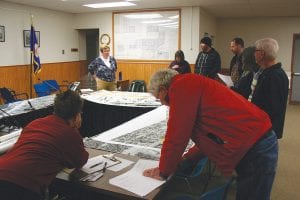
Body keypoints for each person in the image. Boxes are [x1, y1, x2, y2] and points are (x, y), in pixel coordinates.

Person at [143, 69, 278, 200]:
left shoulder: (180, 86)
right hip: (256, 144)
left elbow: (176, 135)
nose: (161, 102)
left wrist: (163, 171)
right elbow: (209, 139)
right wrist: (186, 159)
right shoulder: (190, 83)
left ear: (162, 89)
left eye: (158, 97)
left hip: (255, 147)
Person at [0, 90, 89, 200]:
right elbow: (80, 161)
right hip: (22, 186)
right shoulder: (70, 133)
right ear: (76, 116)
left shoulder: (35, 123)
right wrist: (74, 129)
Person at [249, 38, 289, 139]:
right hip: (263, 129)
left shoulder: (274, 76)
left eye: (255, 51)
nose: (254, 54)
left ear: (262, 54)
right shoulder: (267, 73)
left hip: (265, 131)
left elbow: (272, 109)